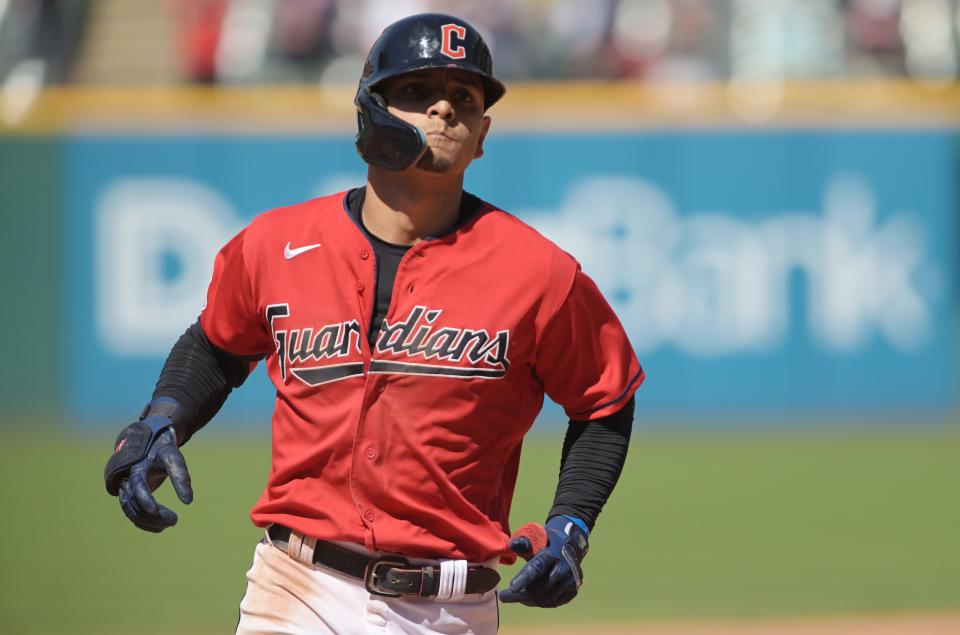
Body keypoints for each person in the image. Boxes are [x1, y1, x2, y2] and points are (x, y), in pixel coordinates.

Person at [103, 12, 643, 635]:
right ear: (370, 110)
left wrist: (571, 525)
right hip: (297, 586)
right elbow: (218, 345)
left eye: (464, 99)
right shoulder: (276, 245)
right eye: (416, 91)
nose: (443, 109)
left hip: (454, 607)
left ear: (483, 134)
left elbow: (605, 399)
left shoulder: (539, 271)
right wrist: (161, 418)